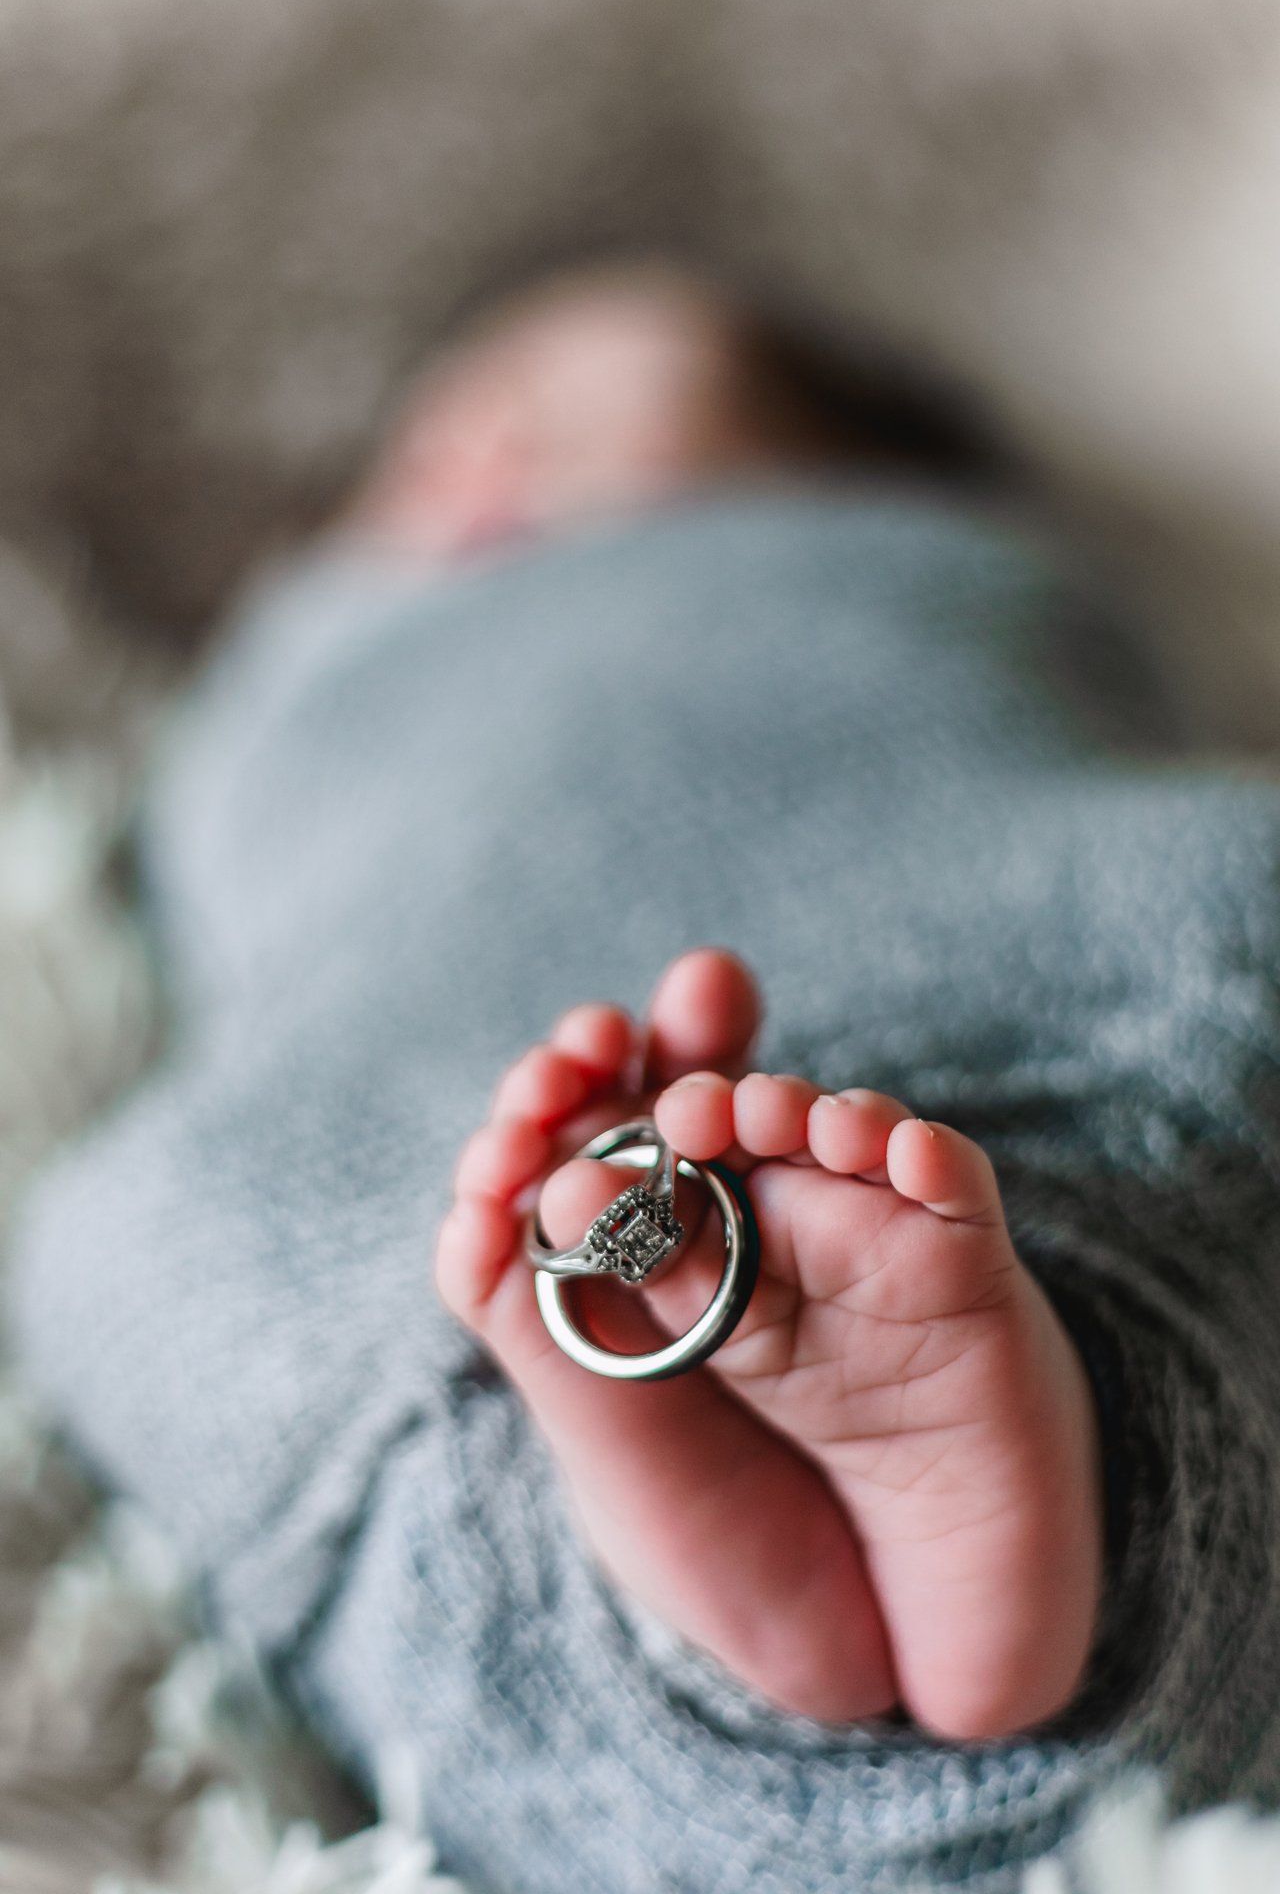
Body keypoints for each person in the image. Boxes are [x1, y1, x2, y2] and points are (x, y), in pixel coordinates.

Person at [13, 266, 1280, 1893]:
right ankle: (807, 1561)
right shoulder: (275, 701)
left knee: (1197, 946)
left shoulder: (931, 585)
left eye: (567, 428)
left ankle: (777, 1563)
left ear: (850, 490)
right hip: (397, 1064)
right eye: (421, 454)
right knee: (172, 1233)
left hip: (1000, 886)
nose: (482, 463)